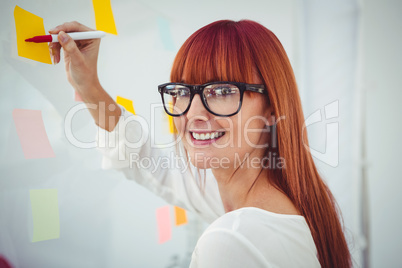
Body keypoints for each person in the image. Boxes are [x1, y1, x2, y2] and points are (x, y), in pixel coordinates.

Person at [49, 19, 352, 267]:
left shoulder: (233, 241)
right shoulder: (271, 197)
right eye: (182, 91)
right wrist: (88, 85)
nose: (193, 114)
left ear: (271, 109)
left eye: (221, 92)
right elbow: (150, 163)